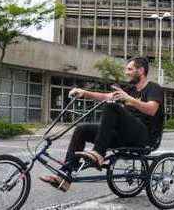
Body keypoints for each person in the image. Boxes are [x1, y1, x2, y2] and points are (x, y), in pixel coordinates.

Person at [39, 56, 164, 192]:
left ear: (140, 70)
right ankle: (64, 178)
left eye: (130, 69)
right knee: (82, 130)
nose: (126, 72)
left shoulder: (153, 88)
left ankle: (99, 153)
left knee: (111, 106)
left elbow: (152, 109)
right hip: (125, 136)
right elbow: (105, 96)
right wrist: (83, 92)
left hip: (145, 136)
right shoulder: (130, 89)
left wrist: (129, 99)